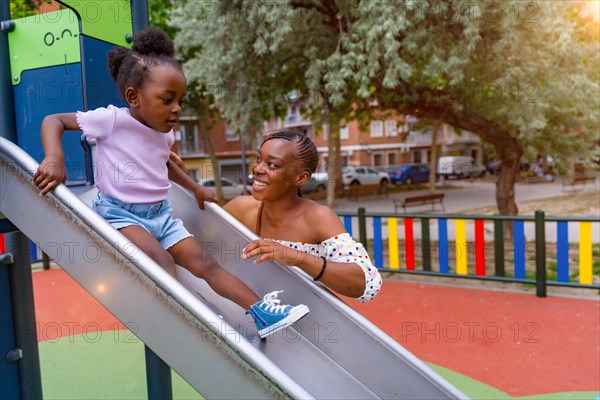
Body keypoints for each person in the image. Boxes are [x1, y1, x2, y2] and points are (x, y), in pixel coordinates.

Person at [32, 27, 308, 339]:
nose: (176, 108)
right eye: (167, 99)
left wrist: (195, 188)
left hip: (161, 216)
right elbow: (53, 120)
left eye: (180, 100)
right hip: (120, 215)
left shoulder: (165, 133)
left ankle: (262, 313)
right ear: (133, 96)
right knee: (161, 260)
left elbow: (163, 164)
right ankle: (187, 322)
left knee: (207, 265)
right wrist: (54, 158)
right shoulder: (112, 120)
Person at [222, 130, 382, 302]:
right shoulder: (240, 208)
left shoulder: (318, 217)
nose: (258, 169)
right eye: (259, 159)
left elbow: (367, 285)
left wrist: (298, 257)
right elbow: (195, 234)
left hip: (307, 322)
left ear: (300, 177)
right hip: (250, 318)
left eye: (272, 165)